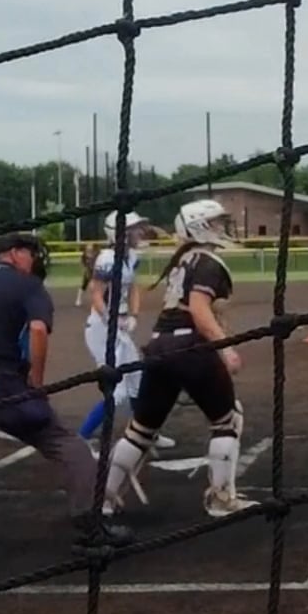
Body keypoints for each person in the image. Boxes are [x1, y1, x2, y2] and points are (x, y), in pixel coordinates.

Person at [0, 231, 131, 548]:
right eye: (30, 253)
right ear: (14, 254)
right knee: (68, 446)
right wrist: (36, 383)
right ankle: (90, 526)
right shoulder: (28, 286)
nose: (35, 259)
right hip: (3, 381)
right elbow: (38, 330)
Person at [101, 199, 258, 519]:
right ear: (200, 226)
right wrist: (226, 348)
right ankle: (221, 498)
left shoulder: (183, 259)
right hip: (190, 346)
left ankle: (103, 497)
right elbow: (199, 310)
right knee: (228, 420)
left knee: (141, 430)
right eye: (215, 222)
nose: (222, 227)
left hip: (160, 346)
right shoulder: (207, 262)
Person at [79, 210, 175, 451]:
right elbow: (97, 295)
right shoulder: (107, 259)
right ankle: (81, 438)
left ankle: (145, 432)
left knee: (137, 382)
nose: (139, 232)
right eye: (134, 228)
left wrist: (133, 315)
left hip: (119, 325)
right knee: (118, 391)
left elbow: (132, 288)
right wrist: (112, 320)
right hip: (102, 329)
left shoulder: (130, 256)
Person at [74, 242, 97, 307]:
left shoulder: (95, 255)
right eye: (88, 249)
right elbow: (82, 264)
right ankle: (78, 299)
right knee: (84, 286)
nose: (89, 250)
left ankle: (95, 300)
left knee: (95, 287)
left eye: (90, 249)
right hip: (87, 272)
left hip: (94, 272)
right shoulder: (84, 256)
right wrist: (85, 271)